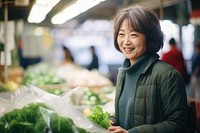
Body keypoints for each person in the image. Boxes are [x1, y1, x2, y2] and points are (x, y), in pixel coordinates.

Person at [107, 5, 187, 133]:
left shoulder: (167, 75)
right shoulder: (123, 73)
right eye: (121, 34)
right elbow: (129, 114)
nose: (126, 41)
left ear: (149, 37)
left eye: (133, 35)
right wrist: (113, 121)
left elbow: (178, 123)